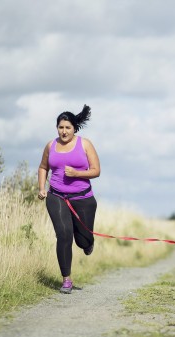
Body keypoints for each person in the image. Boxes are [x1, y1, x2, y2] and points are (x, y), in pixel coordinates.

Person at [37, 104, 100, 294]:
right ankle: (66, 279)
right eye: (61, 127)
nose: (64, 131)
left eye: (68, 128)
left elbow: (96, 171)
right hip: (56, 196)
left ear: (75, 128)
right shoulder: (51, 146)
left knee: (82, 240)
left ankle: (88, 243)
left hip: (83, 198)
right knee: (64, 235)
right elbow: (43, 167)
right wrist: (42, 188)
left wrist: (77, 173)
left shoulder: (85, 144)